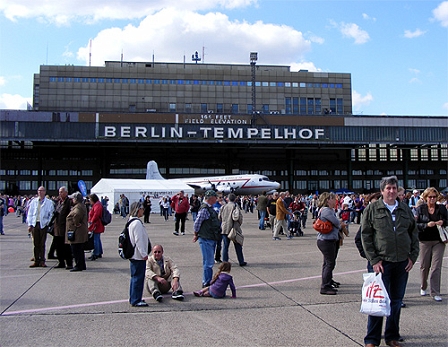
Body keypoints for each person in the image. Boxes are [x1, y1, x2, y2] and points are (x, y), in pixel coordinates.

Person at [361, 175, 419, 347]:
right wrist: (374, 260)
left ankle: (392, 336)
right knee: (377, 302)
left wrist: (413, 257)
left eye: (394, 188)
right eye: (388, 188)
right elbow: (366, 236)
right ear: (382, 191)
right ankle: (372, 339)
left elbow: (414, 234)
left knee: (396, 301)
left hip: (401, 263)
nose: (392, 191)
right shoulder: (372, 209)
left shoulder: (405, 210)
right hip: (381, 263)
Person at [415, 187, 447, 302]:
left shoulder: (441, 208)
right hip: (424, 240)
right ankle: (423, 286)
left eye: (434, 197)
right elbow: (416, 225)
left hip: (439, 240)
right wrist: (426, 225)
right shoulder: (420, 209)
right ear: (425, 197)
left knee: (436, 267)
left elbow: (447, 220)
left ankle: (435, 292)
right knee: (424, 266)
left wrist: (442, 222)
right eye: (430, 197)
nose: (432, 199)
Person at [316, 192, 345, 295]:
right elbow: (337, 223)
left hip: (329, 240)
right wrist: (340, 223)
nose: (335, 200)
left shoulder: (329, 210)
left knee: (327, 262)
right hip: (326, 240)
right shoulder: (326, 211)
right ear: (328, 200)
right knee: (330, 263)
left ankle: (328, 281)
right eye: (333, 199)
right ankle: (325, 286)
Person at [192, 190, 222, 287]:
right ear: (211, 198)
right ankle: (206, 282)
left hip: (211, 238)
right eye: (215, 197)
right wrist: (196, 234)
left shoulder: (210, 208)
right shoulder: (204, 209)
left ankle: (208, 281)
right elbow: (197, 223)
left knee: (209, 261)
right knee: (208, 262)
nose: (216, 199)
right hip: (206, 238)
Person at [127, 202, 151, 307]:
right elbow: (139, 240)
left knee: (135, 277)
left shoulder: (131, 221)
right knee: (138, 278)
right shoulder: (136, 223)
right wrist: (144, 254)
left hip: (135, 255)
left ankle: (134, 297)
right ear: (137, 209)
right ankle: (136, 299)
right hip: (138, 255)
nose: (143, 210)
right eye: (142, 208)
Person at [27, 186, 55, 268]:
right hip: (35, 224)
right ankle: (36, 260)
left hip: (43, 225)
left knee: (42, 243)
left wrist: (47, 223)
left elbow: (51, 214)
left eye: (42, 191)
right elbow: (30, 213)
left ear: (45, 192)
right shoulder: (33, 202)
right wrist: (30, 224)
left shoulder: (49, 202)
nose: (40, 192)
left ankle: (42, 260)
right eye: (39, 191)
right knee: (36, 243)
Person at [218, 193, 247, 266]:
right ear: (235, 199)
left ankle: (225, 262)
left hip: (225, 228)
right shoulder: (235, 206)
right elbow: (237, 217)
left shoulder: (223, 206)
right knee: (238, 246)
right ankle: (241, 261)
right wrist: (239, 223)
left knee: (225, 246)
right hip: (234, 228)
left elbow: (219, 217)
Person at [66, 192, 89, 272]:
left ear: (76, 199)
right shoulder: (81, 206)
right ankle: (81, 264)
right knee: (79, 249)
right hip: (79, 231)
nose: (72, 200)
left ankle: (79, 265)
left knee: (76, 249)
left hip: (77, 231)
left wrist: (75, 223)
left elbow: (76, 215)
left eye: (73, 198)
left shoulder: (78, 207)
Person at [53, 186, 73, 269]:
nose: (60, 194)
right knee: (58, 246)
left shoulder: (69, 202)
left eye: (61, 192)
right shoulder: (59, 202)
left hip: (65, 228)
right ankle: (61, 262)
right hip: (57, 228)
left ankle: (69, 263)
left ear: (66, 193)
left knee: (66, 247)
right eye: (59, 192)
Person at [88, 194, 104, 260]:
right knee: (97, 238)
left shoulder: (97, 205)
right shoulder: (97, 204)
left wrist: (91, 221)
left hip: (96, 224)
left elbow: (96, 214)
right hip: (97, 224)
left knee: (95, 239)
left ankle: (96, 253)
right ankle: (99, 252)